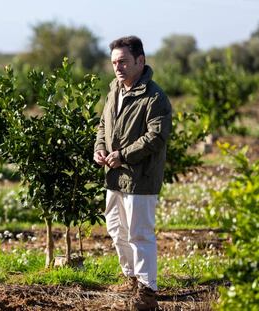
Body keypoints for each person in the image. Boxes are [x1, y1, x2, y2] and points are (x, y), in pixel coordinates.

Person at [94, 36, 172, 310]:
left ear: (141, 60)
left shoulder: (155, 97)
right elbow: (103, 125)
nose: (118, 67)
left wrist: (123, 155)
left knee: (140, 235)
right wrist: (100, 148)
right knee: (116, 230)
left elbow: (156, 137)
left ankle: (147, 292)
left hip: (140, 178)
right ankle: (131, 278)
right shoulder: (114, 89)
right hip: (114, 177)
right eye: (114, 62)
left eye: (124, 61)